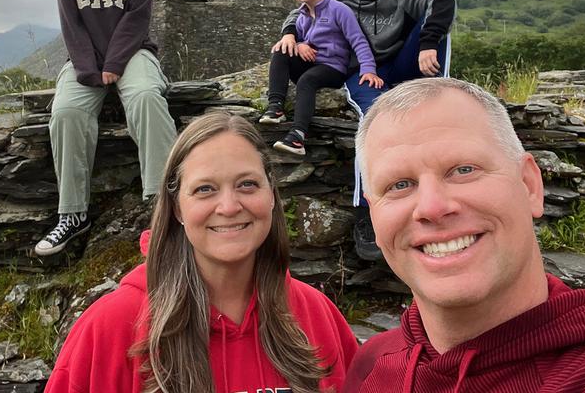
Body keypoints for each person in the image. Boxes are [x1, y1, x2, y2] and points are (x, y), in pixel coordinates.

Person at [342, 78, 585, 392]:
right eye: (399, 184)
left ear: (529, 185)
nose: (431, 207)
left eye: (463, 169)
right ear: (374, 216)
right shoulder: (371, 368)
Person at [46, 112, 359, 392]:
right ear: (177, 209)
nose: (229, 206)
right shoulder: (111, 327)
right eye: (204, 189)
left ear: (272, 195)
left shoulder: (315, 313)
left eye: (247, 184)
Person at [279, 0, 456, 261]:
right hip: (362, 72)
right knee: (376, 121)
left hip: (401, 65)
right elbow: (302, 8)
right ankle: (367, 211)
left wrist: (428, 41)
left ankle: (436, 95)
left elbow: (443, 3)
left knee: (437, 18)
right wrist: (289, 32)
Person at [34, 0, 177, 256]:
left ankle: (165, 204)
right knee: (66, 112)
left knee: (146, 96)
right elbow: (72, 23)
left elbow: (136, 19)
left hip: (133, 53)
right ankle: (72, 213)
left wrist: (113, 63)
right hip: (85, 60)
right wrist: (88, 69)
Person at [261, 0, 382, 156]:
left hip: (332, 68)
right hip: (310, 63)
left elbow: (358, 41)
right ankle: (275, 107)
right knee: (281, 50)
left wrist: (368, 69)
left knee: (307, 80)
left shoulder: (339, 9)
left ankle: (298, 136)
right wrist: (299, 45)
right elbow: (299, 40)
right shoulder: (301, 17)